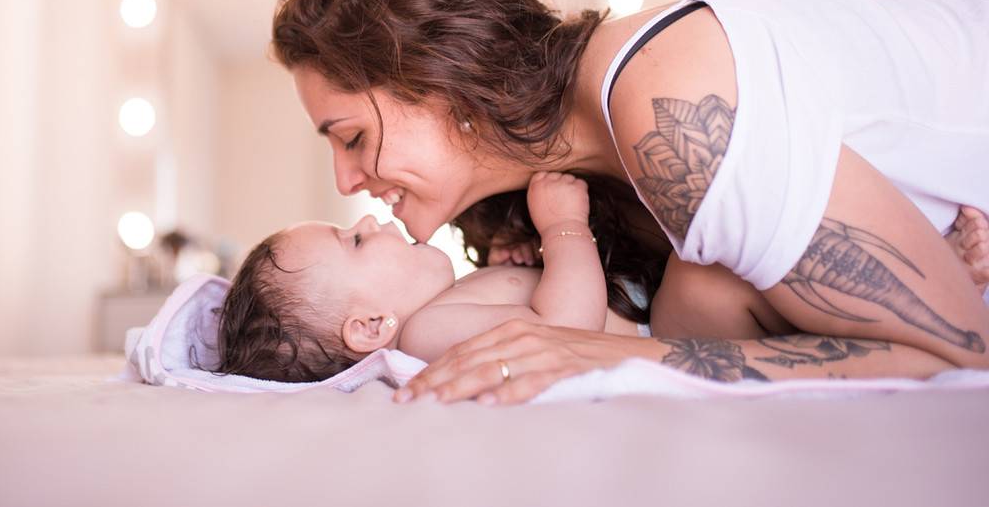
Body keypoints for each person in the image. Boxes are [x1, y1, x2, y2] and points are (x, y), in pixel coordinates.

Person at [270, 0, 989, 403]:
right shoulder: (560, 197)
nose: (346, 180)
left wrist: (610, 356)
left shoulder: (670, 110)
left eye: (352, 136)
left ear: (439, 83)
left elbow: (962, 359)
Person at [214, 172, 778, 382]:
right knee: (707, 275)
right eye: (355, 241)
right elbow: (565, 327)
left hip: (644, 302)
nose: (367, 220)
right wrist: (562, 227)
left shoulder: (443, 309)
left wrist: (517, 264)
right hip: (662, 330)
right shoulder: (424, 335)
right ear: (370, 326)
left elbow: (526, 306)